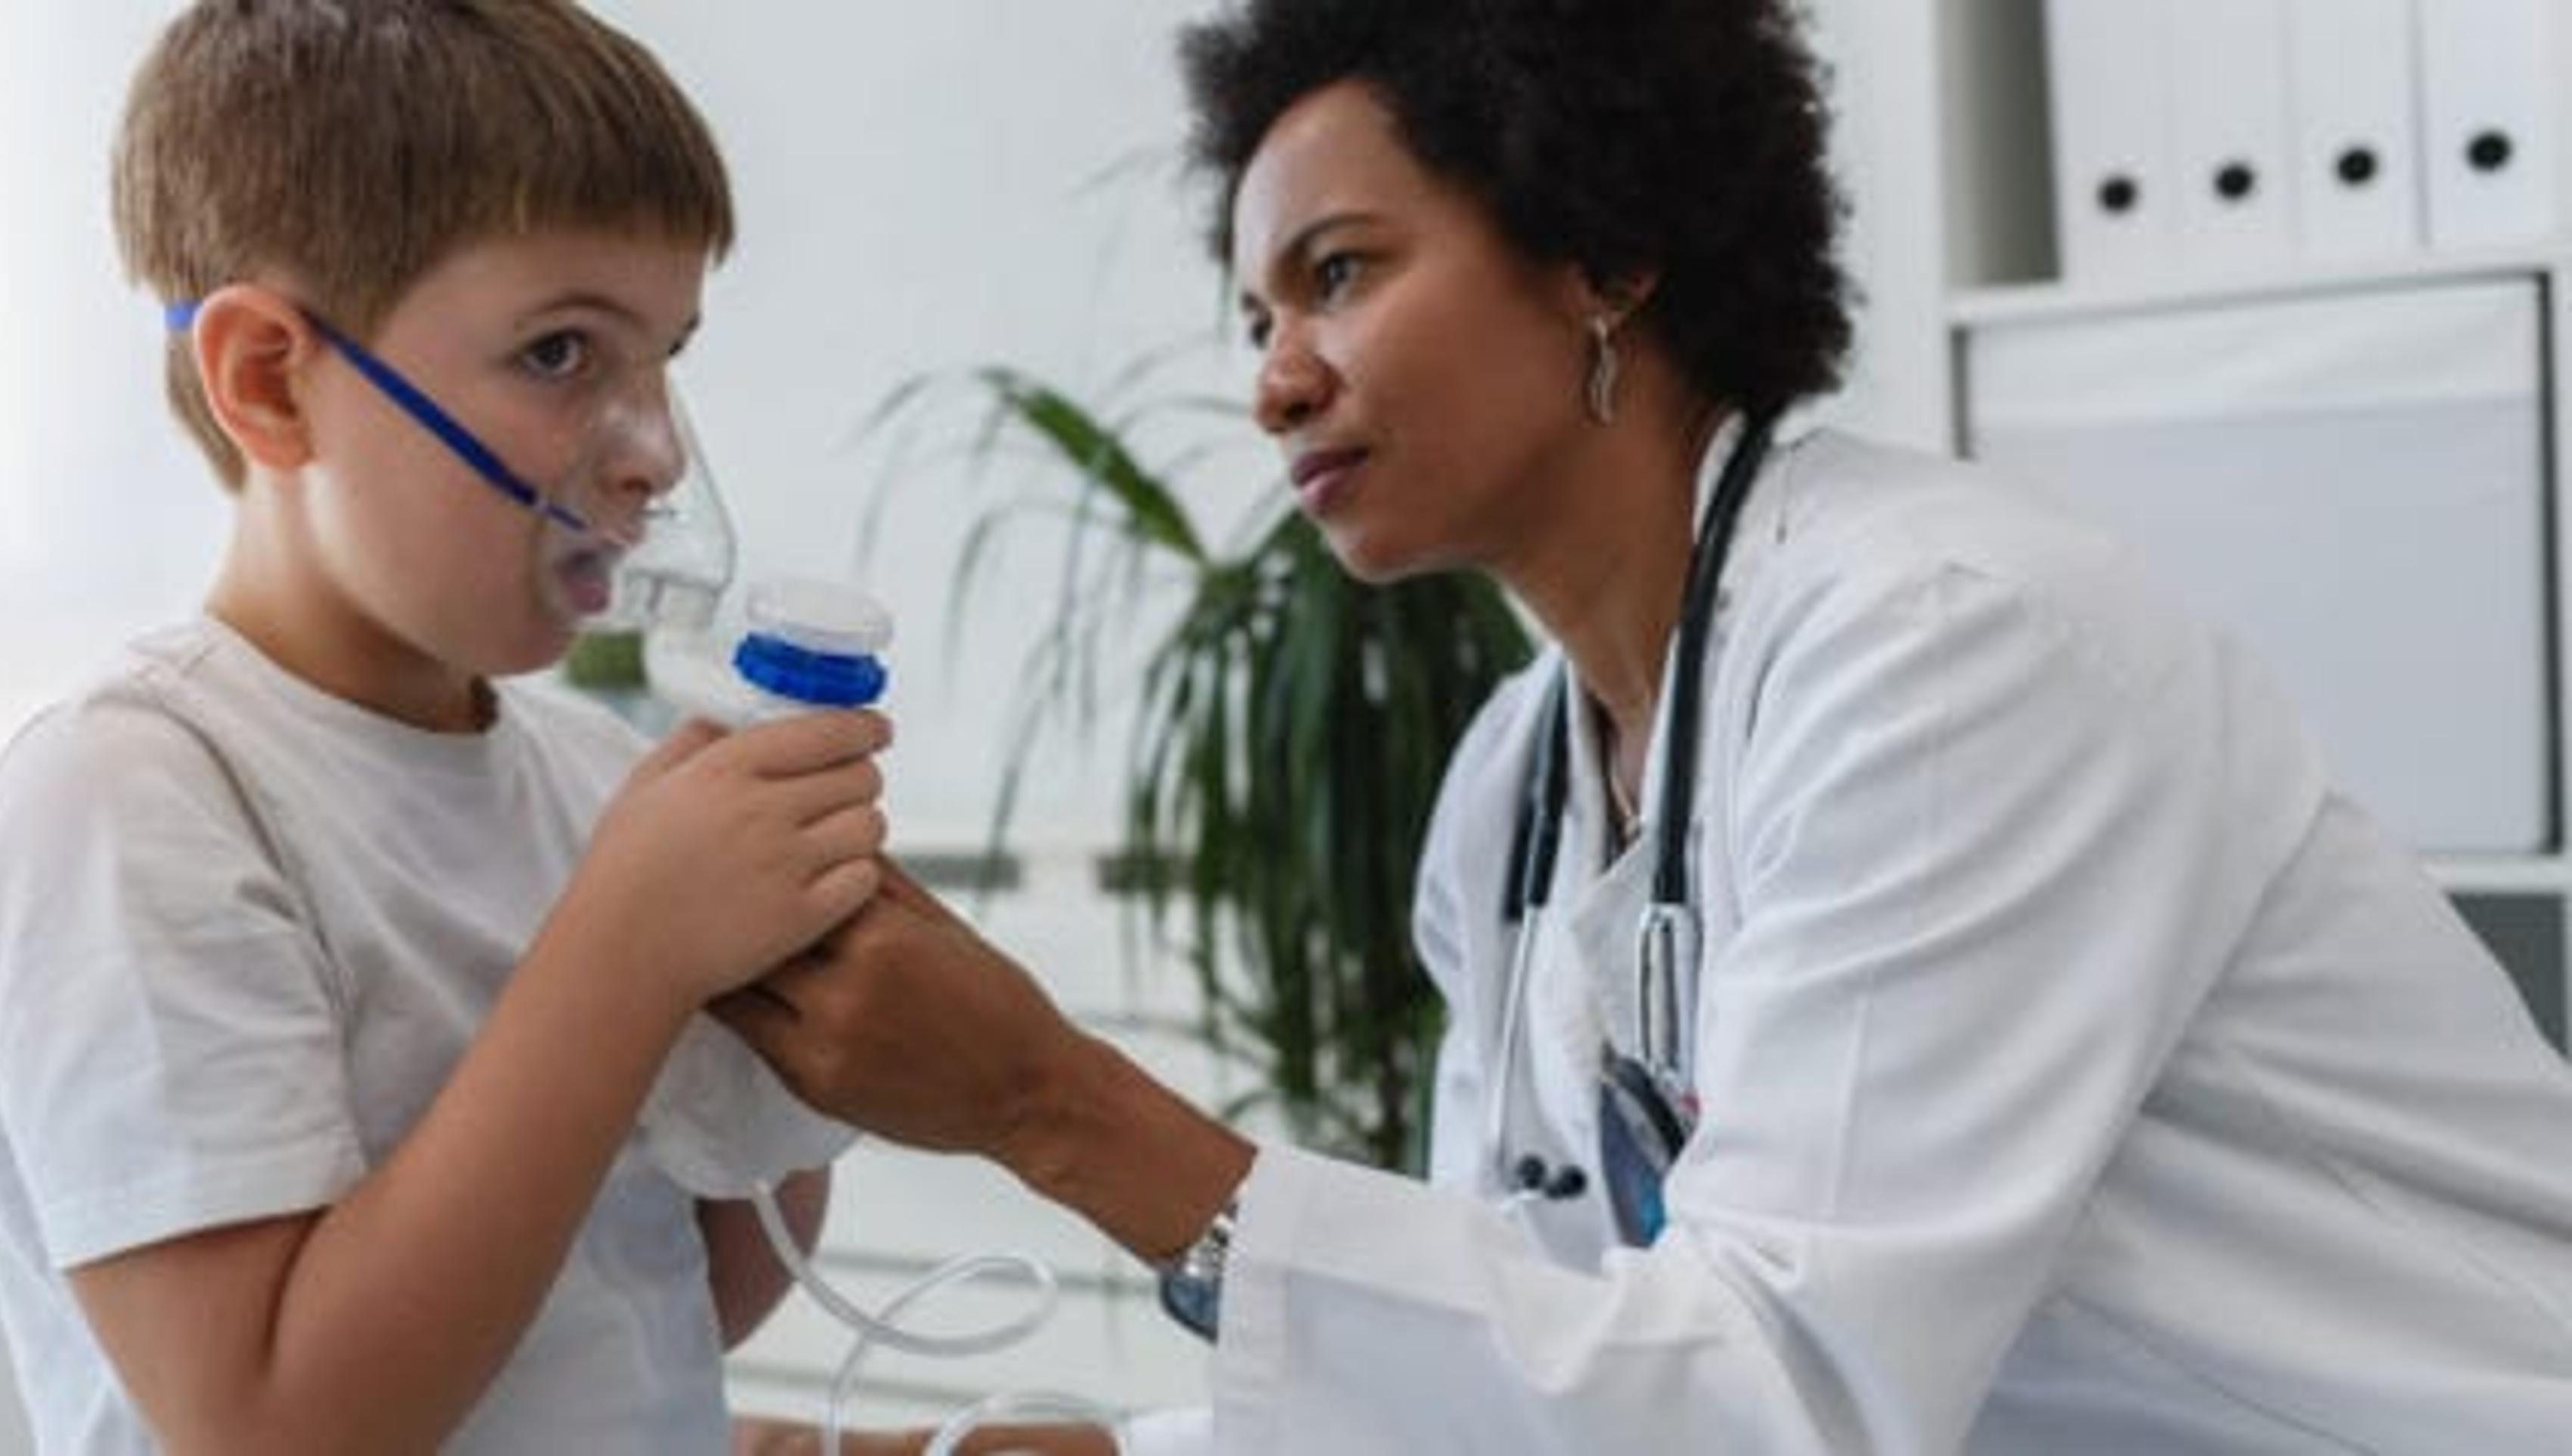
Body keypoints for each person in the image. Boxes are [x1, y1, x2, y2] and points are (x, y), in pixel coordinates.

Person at [717, 0, 2572, 1450]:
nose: (1276, 379)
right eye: (1258, 310)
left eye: (1341, 273)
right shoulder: (1515, 797)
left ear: (1602, 252)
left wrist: (1048, 1102)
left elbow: (1783, 1408)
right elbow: (1550, 1374)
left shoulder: (1941, 649)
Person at [0, 4, 896, 1451]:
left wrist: (770, 1031)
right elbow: (270, 1424)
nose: (652, 452)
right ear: (269, 381)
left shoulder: (590, 777)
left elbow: (671, 1302)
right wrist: (631, 952)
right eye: (565, 353)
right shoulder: (137, 800)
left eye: (664, 357)